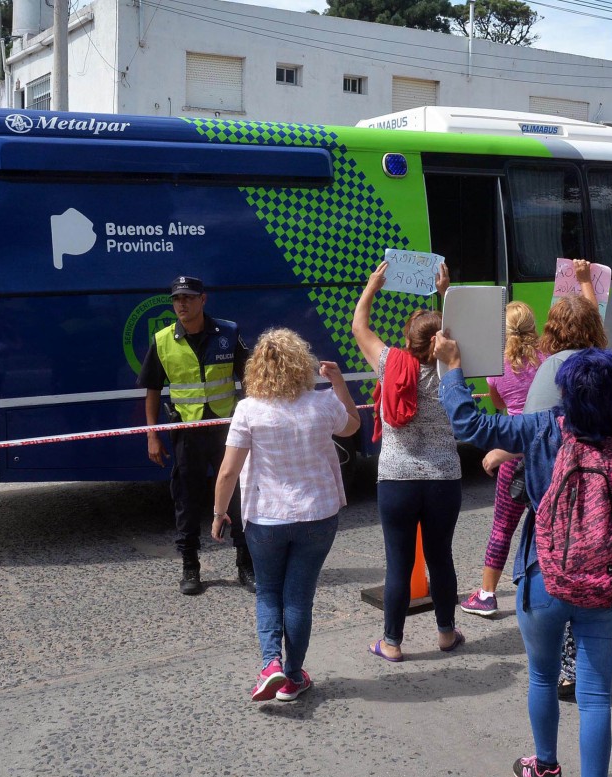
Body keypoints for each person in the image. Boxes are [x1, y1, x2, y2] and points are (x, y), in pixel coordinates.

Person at [436, 338, 612, 777]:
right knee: (595, 696)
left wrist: (452, 370)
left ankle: (545, 769)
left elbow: (470, 423)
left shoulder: (541, 429)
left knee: (543, 677)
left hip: (543, 576)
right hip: (605, 582)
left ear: (565, 392)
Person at [210, 329, 360, 702]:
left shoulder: (248, 409)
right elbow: (353, 424)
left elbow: (228, 471)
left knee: (268, 594)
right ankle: (293, 677)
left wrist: (218, 513)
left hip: (266, 518)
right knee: (298, 598)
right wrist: (338, 381)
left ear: (256, 369)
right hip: (318, 516)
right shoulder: (323, 403)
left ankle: (271, 665)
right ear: (302, 364)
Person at [521, 292, 612, 702]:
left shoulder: (549, 370)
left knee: (563, 572)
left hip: (564, 496)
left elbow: (533, 433)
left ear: (552, 328)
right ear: (594, 329)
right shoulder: (607, 369)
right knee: (600, 565)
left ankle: (564, 666)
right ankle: (584, 664)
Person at [353, 260, 464, 660]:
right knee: (441, 558)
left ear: (410, 340)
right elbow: (465, 332)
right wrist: (447, 292)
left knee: (398, 564)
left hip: (397, 479)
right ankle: (447, 634)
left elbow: (359, 328)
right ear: (443, 340)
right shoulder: (454, 370)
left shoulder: (390, 365)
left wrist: (371, 287)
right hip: (444, 479)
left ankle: (393, 643)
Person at [140, 275, 252, 596]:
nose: (182, 304)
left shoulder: (228, 333)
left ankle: (245, 563)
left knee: (237, 495)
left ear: (203, 300)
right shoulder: (163, 340)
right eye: (177, 299)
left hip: (226, 430)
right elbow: (152, 389)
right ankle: (190, 566)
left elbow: (249, 377)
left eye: (189, 298)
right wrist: (152, 435)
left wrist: (250, 418)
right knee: (186, 499)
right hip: (186, 433)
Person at [460, 301, 546, 617]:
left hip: (512, 453)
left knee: (502, 525)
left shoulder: (498, 367)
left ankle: (486, 595)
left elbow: (498, 404)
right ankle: (548, 585)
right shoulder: (548, 358)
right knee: (548, 520)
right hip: (548, 452)